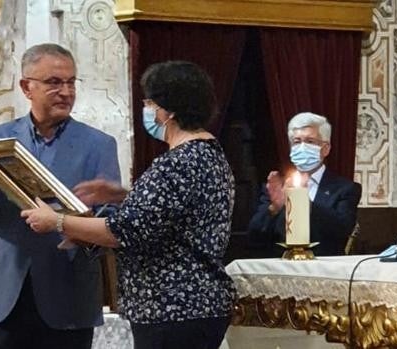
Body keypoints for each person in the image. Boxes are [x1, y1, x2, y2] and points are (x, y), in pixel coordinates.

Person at [22, 61, 236, 349]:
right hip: (195, 305)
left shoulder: (178, 162)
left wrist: (57, 221)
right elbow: (174, 213)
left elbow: (125, 230)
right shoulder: (207, 153)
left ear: (167, 109)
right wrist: (121, 196)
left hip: (172, 306)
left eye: (149, 102)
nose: (146, 109)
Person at [0, 43, 121, 348]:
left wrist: (68, 223)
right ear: (26, 87)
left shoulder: (99, 145)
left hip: (67, 291)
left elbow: (110, 219)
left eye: (71, 82)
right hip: (0, 293)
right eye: (54, 82)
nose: (66, 92)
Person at [248, 112, 362, 257]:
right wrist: (274, 208)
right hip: (280, 268)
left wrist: (303, 203)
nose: (302, 147)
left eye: (310, 141)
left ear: (325, 148)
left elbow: (342, 230)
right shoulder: (277, 188)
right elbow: (253, 236)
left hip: (324, 268)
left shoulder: (345, 189)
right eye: (297, 142)